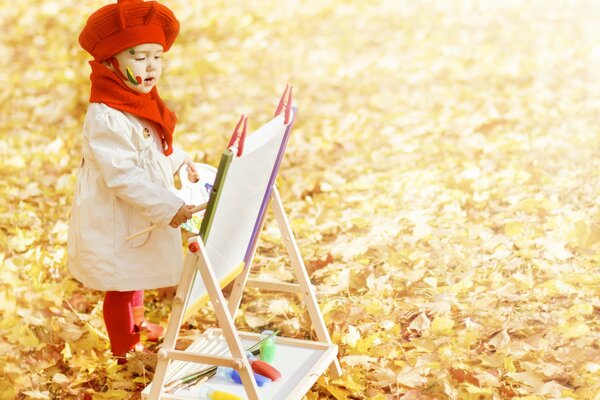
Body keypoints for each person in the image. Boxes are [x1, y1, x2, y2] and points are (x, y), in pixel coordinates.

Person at [68, 0, 198, 363]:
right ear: (111, 62)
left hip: (139, 211)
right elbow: (123, 174)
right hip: (116, 214)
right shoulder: (106, 115)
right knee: (121, 283)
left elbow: (154, 147)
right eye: (139, 57)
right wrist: (169, 206)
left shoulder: (138, 100)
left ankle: (137, 328)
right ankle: (124, 349)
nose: (152, 65)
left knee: (136, 272)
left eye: (157, 56)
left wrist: (182, 160)